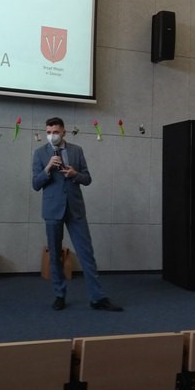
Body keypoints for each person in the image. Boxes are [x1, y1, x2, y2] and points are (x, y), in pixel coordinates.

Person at [32, 117, 123, 312]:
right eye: (48, 132)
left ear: (63, 132)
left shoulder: (76, 151)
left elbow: (87, 179)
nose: (52, 136)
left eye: (55, 132)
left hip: (75, 209)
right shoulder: (40, 153)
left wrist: (75, 174)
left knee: (86, 253)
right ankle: (59, 295)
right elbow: (35, 184)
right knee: (55, 254)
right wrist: (48, 168)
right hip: (52, 209)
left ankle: (97, 297)